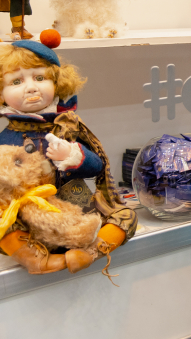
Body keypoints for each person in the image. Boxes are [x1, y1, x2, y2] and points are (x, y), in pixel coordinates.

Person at [0, 40, 137, 278]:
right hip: (28, 219)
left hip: (75, 211)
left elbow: (97, 166)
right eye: (16, 82)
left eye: (40, 78)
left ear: (57, 82)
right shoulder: (6, 138)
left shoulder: (68, 127)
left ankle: (90, 252)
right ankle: (33, 258)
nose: (31, 88)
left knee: (126, 216)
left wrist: (73, 157)